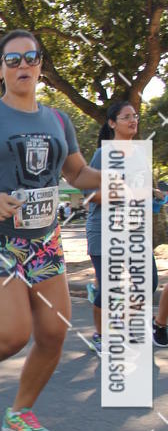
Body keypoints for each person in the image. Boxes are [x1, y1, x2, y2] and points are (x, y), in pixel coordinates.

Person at [0, 29, 101, 431]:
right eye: (12, 60)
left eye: (31, 57)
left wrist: (120, 176)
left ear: (40, 66)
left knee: (54, 332)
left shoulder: (58, 120)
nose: (23, 65)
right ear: (0, 70)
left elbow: (77, 173)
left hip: (44, 241)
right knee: (13, 334)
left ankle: (20, 412)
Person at [85, 102, 159, 353]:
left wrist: (151, 194)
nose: (133, 120)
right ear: (112, 123)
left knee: (148, 282)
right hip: (104, 231)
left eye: (135, 116)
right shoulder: (102, 155)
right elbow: (88, 195)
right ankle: (100, 335)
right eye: (126, 117)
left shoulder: (139, 155)